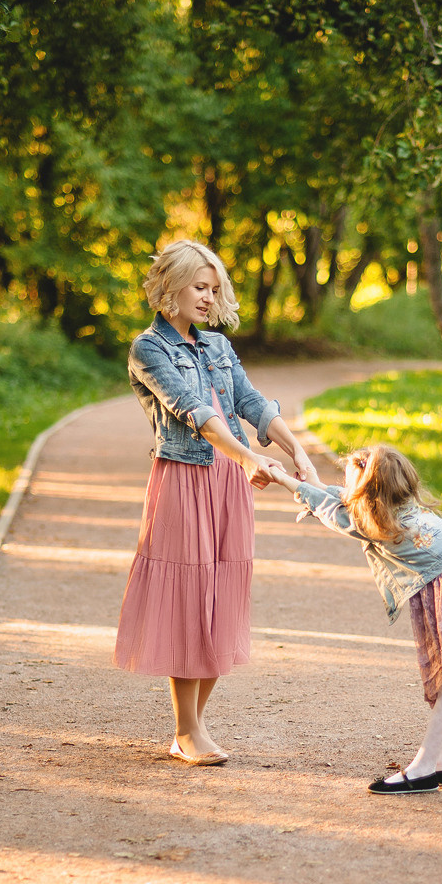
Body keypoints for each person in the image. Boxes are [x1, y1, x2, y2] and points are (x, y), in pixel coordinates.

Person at [114, 239, 319, 766]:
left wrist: (298, 451)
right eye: (198, 287)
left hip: (229, 482)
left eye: (213, 288)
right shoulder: (148, 349)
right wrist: (247, 457)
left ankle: (193, 727)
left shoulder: (220, 348)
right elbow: (194, 411)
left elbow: (250, 402)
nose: (207, 297)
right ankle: (186, 731)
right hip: (185, 480)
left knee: (222, 595)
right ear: (171, 288)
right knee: (190, 598)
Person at [269, 443, 442, 794]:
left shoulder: (375, 523)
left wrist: (284, 480)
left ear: (368, 493)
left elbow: (334, 510)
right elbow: (340, 499)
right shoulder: (402, 506)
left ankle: (422, 770)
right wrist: (308, 482)